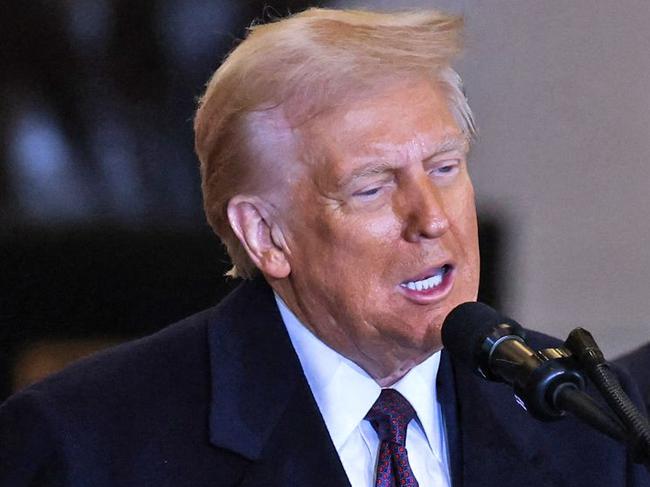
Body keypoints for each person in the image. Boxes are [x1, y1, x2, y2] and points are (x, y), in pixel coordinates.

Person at [0, 8, 648, 487]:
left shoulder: (586, 422)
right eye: (372, 187)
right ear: (267, 235)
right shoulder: (82, 447)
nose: (432, 218)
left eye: (445, 168)